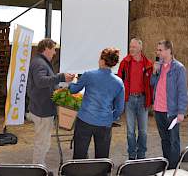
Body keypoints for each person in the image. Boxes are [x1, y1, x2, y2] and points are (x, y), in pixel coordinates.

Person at [69, 47, 125, 160]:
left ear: (103, 60)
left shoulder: (89, 75)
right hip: (104, 124)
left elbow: (73, 90)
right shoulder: (119, 83)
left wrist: (73, 81)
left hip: (84, 120)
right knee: (102, 159)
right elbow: (120, 109)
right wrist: (109, 117)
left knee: (79, 155)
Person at [27, 38, 74, 166]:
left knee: (44, 141)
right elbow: (41, 81)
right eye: (53, 49)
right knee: (42, 142)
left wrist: (59, 87)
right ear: (47, 48)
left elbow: (45, 82)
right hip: (42, 109)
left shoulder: (40, 62)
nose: (54, 52)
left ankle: (39, 166)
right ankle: (38, 168)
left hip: (42, 108)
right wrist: (61, 77)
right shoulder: (40, 63)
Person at [151, 40, 188, 169]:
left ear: (169, 51)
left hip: (171, 112)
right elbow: (152, 83)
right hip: (158, 110)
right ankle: (166, 165)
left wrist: (181, 112)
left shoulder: (179, 68)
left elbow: (182, 92)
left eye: (160, 50)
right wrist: (154, 71)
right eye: (157, 50)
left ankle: (174, 169)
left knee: (174, 141)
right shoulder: (159, 66)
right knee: (164, 140)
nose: (158, 52)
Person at [117, 38, 153, 160]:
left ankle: (141, 155)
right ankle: (132, 156)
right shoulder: (124, 63)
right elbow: (119, 82)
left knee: (143, 131)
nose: (131, 49)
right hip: (129, 100)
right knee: (130, 132)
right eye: (130, 46)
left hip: (142, 100)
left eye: (134, 47)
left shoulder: (148, 64)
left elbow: (152, 83)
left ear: (140, 48)